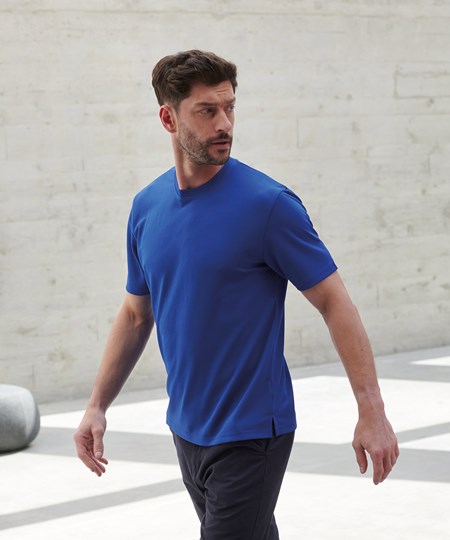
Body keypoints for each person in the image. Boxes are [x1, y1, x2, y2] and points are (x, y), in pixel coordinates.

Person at [74, 50, 399, 539]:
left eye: (229, 108)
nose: (224, 123)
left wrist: (371, 409)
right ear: (168, 119)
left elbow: (334, 301)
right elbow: (137, 314)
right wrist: (97, 405)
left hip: (252, 432)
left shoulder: (269, 205)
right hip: (186, 427)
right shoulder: (146, 208)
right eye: (207, 111)